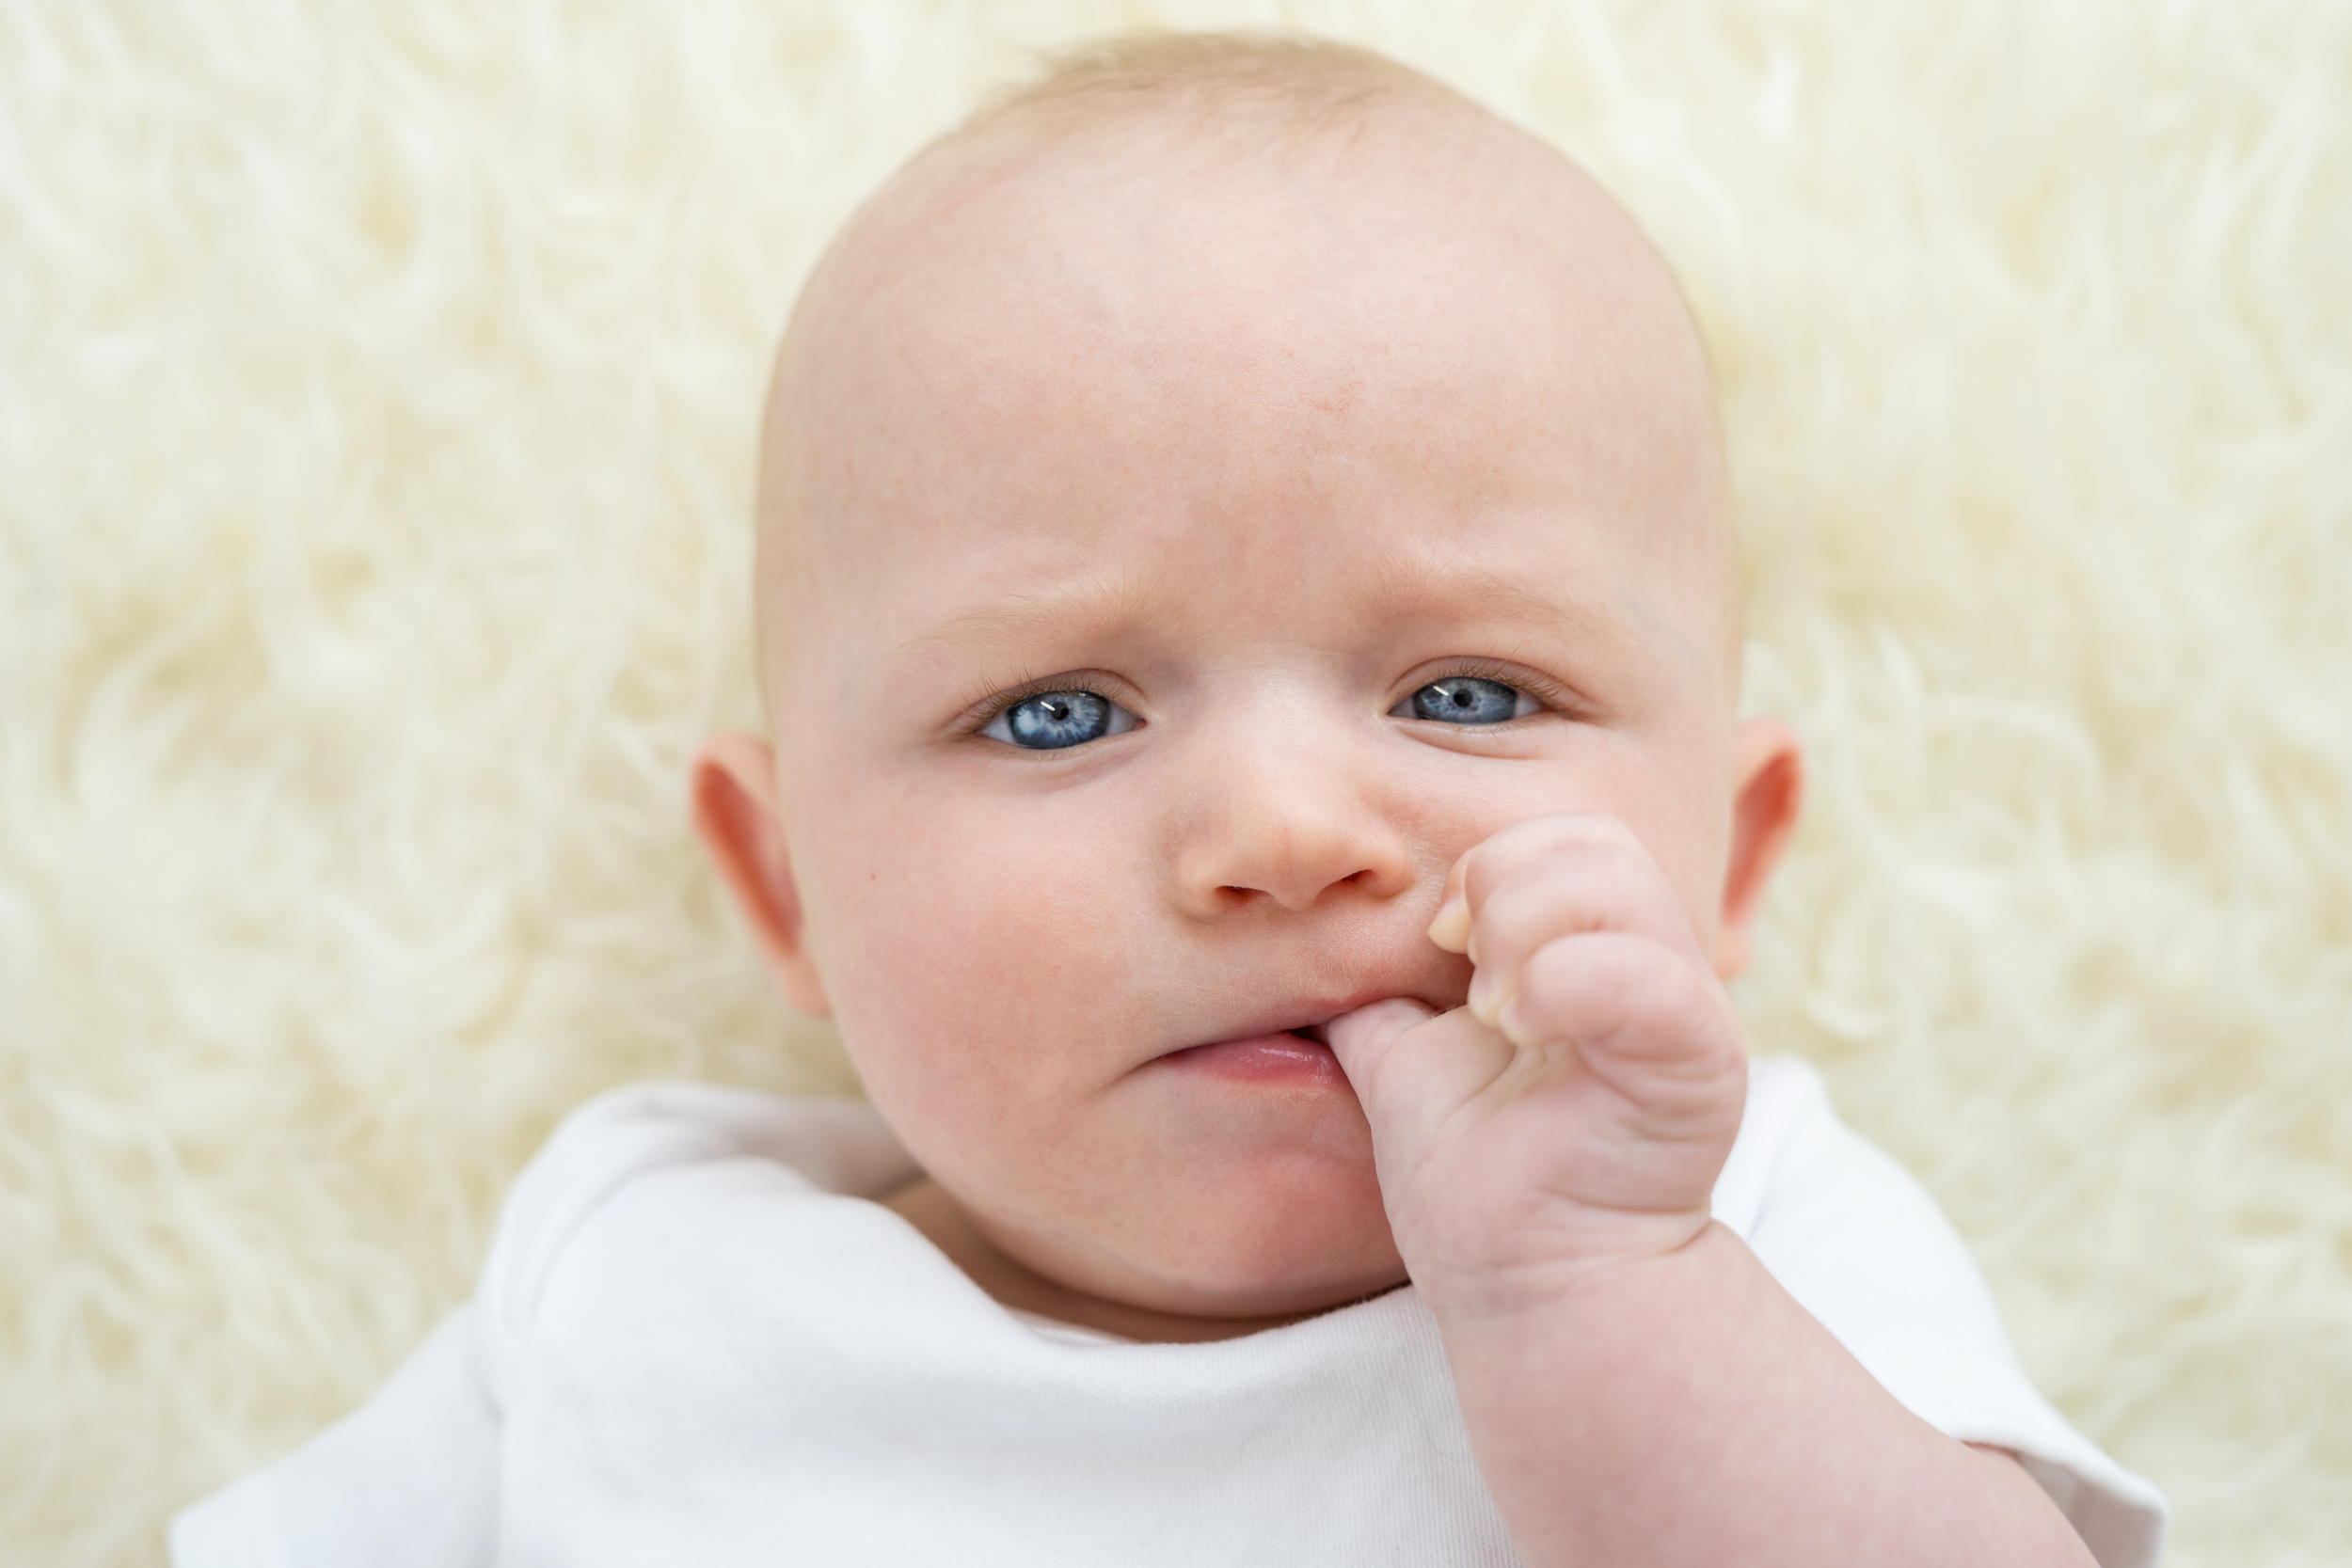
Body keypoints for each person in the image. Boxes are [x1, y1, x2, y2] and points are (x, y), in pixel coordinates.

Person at [172, 32, 2166, 1567]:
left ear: (1727, 853)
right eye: (1054, 713)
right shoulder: (639, 1255)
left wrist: (1587, 1290)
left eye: (1466, 691)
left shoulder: (1736, 1225)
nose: (1286, 833)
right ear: (783, 887)